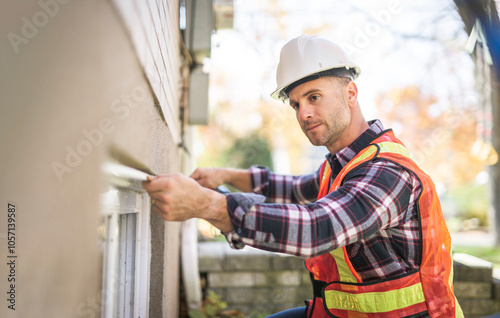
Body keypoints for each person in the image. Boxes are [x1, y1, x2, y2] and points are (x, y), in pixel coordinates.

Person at [143, 34, 463, 317]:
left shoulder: (387, 172)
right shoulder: (339, 166)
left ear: (350, 92)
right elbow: (295, 190)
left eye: (314, 97)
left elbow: (316, 227)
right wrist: (223, 175)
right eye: (295, 104)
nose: (303, 114)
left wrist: (208, 206)